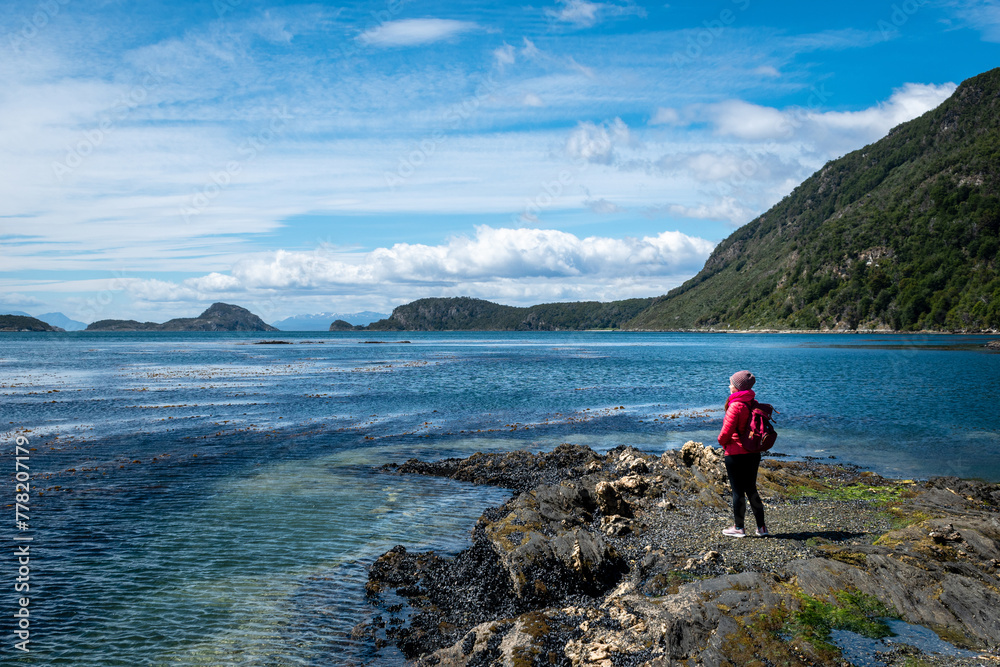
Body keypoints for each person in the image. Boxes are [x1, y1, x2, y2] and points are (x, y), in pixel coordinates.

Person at [718, 370, 768, 538]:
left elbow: (725, 433)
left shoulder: (736, 405)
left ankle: (739, 528)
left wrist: (721, 442)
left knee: (737, 492)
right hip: (753, 453)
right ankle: (762, 528)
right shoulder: (752, 402)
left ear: (738, 387)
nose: (729, 385)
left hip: (736, 454)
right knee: (751, 489)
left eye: (731, 383)